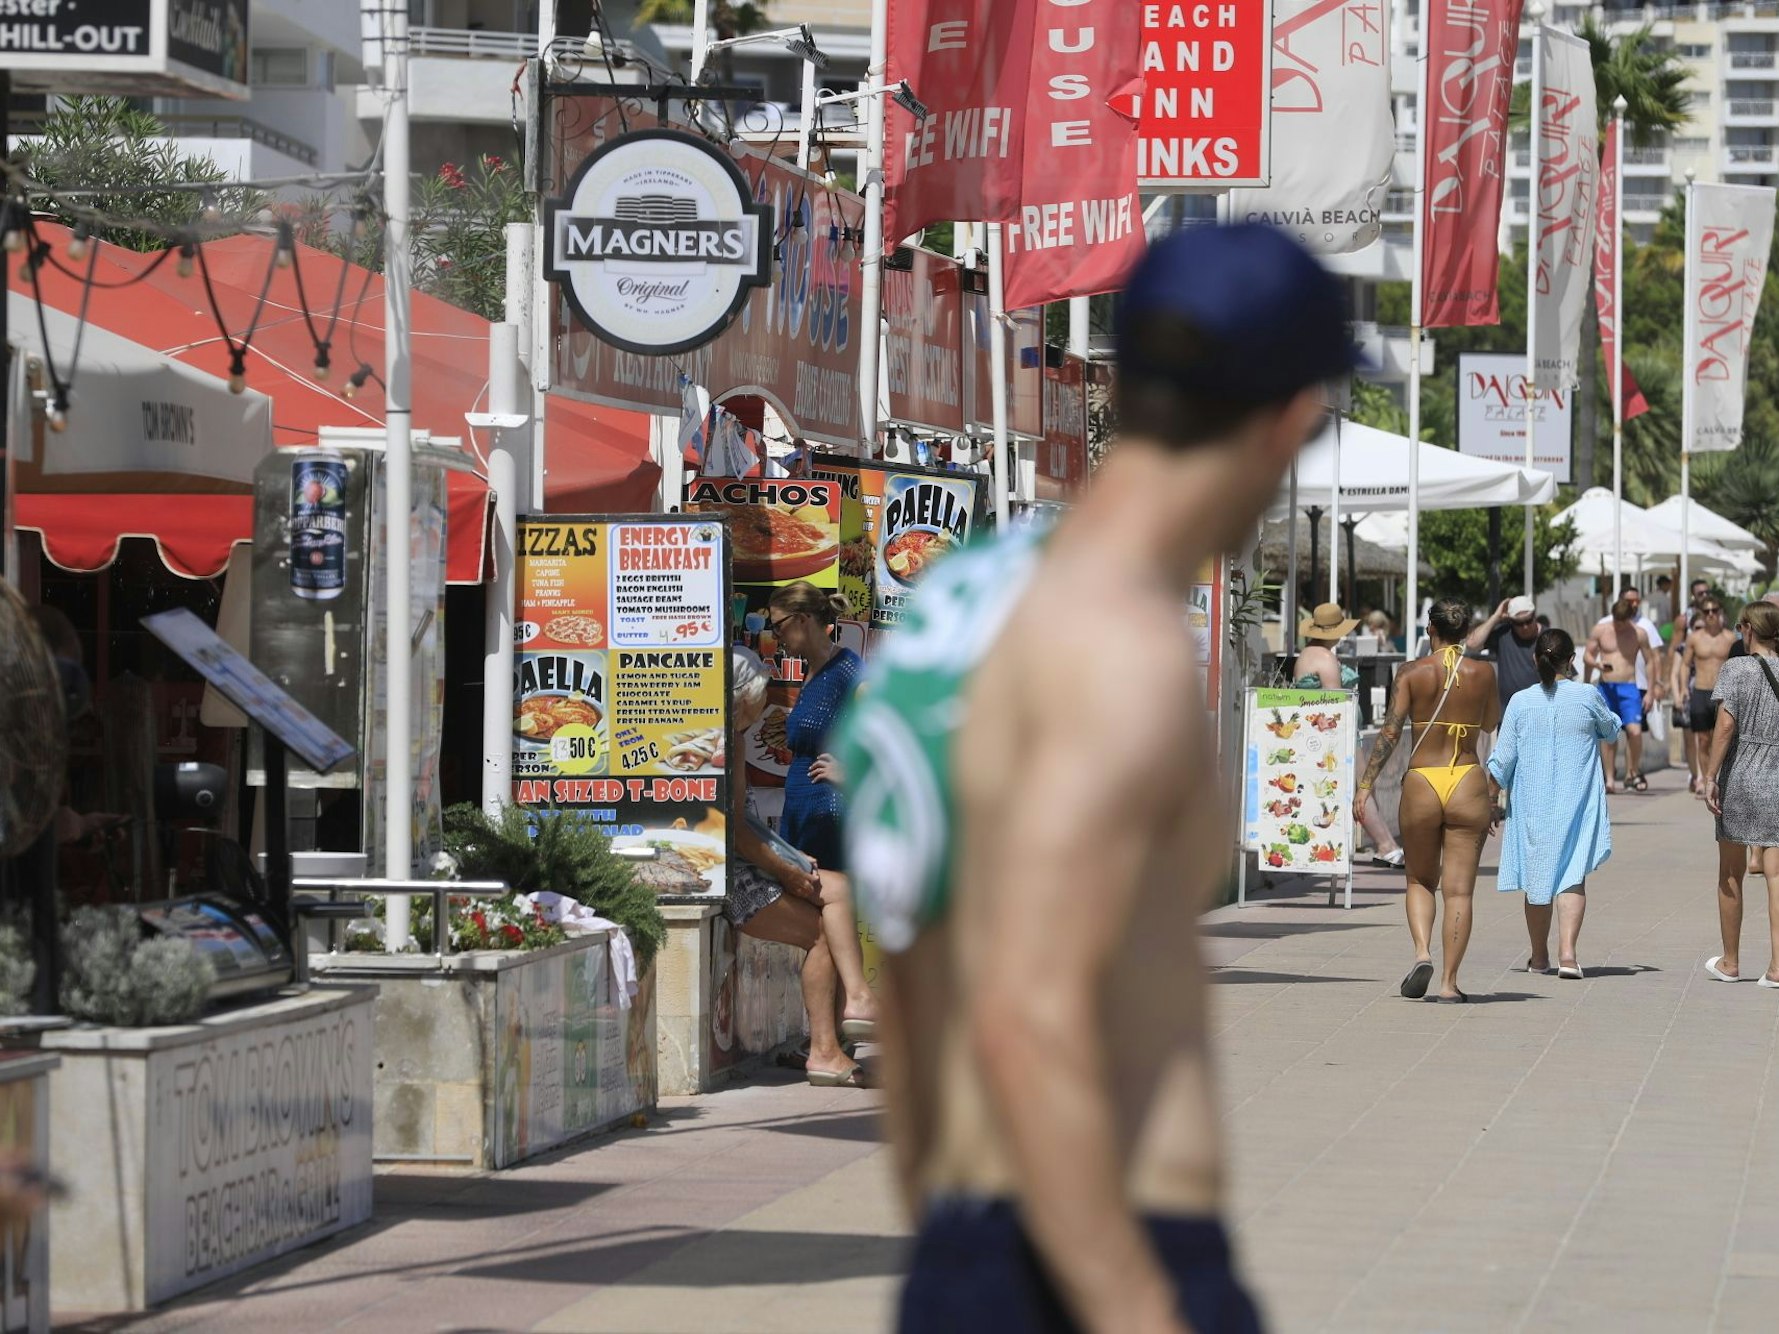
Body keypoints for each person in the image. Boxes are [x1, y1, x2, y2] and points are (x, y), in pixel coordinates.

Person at [836, 224, 1344, 1333]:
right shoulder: (1121, 650)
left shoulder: (963, 604)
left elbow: (918, 956)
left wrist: (950, 1245)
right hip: (1110, 1248)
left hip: (971, 1235)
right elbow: (1026, 1005)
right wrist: (1133, 1305)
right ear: (1293, 418)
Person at [726, 648, 876, 1085]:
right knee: (821, 932)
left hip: (749, 860)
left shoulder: (732, 735)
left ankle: (859, 1003)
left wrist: (787, 857)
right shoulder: (725, 740)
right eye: (758, 699)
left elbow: (745, 825)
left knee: (842, 890)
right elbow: (734, 832)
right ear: (740, 697)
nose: (762, 708)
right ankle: (825, 1051)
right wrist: (785, 867)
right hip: (732, 876)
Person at [1357, 597, 1501, 1003]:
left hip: (1423, 778)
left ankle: (1422, 953)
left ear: (1429, 631)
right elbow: (1491, 722)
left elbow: (1389, 733)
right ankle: (1449, 985)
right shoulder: (1483, 673)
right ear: (1465, 632)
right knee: (1459, 892)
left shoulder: (1411, 672)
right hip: (1466, 778)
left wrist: (1366, 785)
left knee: (1420, 878)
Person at [1487, 629, 1620, 979]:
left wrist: (1489, 800)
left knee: (1537, 877)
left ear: (1535, 659)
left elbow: (1502, 759)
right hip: (1575, 801)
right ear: (1571, 661)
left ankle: (1539, 956)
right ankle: (1569, 955)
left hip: (1532, 803)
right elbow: (1610, 730)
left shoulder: (1520, 701)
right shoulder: (1587, 695)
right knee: (1572, 875)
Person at [1702, 602, 1779, 985]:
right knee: (1776, 875)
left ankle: (1731, 962)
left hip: (1742, 776)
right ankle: (1778, 967)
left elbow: (1725, 727)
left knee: (1730, 871)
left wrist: (1710, 775)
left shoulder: (1735, 669)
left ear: (1748, 628)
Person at [1294, 603, 1403, 868]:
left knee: (1364, 787)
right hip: (1336, 734)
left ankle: (1385, 844)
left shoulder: (1309, 653)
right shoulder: (1324, 657)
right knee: (1361, 788)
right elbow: (1336, 702)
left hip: (1327, 732)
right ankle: (1386, 845)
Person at [766, 581, 864, 876]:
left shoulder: (848, 670)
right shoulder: (814, 670)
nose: (775, 636)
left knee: (826, 914)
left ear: (801, 620)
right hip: (802, 815)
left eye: (778, 626)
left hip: (826, 817)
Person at [1585, 598, 1663, 793]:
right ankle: (1610, 779)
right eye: (1616, 621)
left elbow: (1650, 662)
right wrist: (1596, 665)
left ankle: (1632, 771)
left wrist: (1651, 691)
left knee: (1635, 732)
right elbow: (1587, 655)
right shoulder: (1601, 630)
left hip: (1630, 687)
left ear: (1630, 618)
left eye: (1623, 621)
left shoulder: (1639, 633)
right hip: (1606, 687)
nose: (1619, 626)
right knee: (1608, 734)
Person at [1672, 599, 1737, 798]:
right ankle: (1706, 780)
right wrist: (1683, 688)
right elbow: (1684, 664)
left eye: (1714, 610)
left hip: (1722, 693)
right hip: (1700, 690)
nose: (1710, 614)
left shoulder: (1730, 638)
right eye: (1706, 611)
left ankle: (1718, 777)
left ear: (1720, 612)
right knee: (1702, 739)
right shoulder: (1694, 638)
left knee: (1722, 737)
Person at [1466, 594, 1543, 710]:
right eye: (1519, 623)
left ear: (1534, 616)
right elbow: (1472, 644)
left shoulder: (1550, 637)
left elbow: (1565, 676)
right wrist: (1496, 617)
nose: (1525, 627)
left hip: (1541, 714)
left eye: (1528, 621)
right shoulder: (1503, 634)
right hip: (1508, 715)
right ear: (1511, 621)